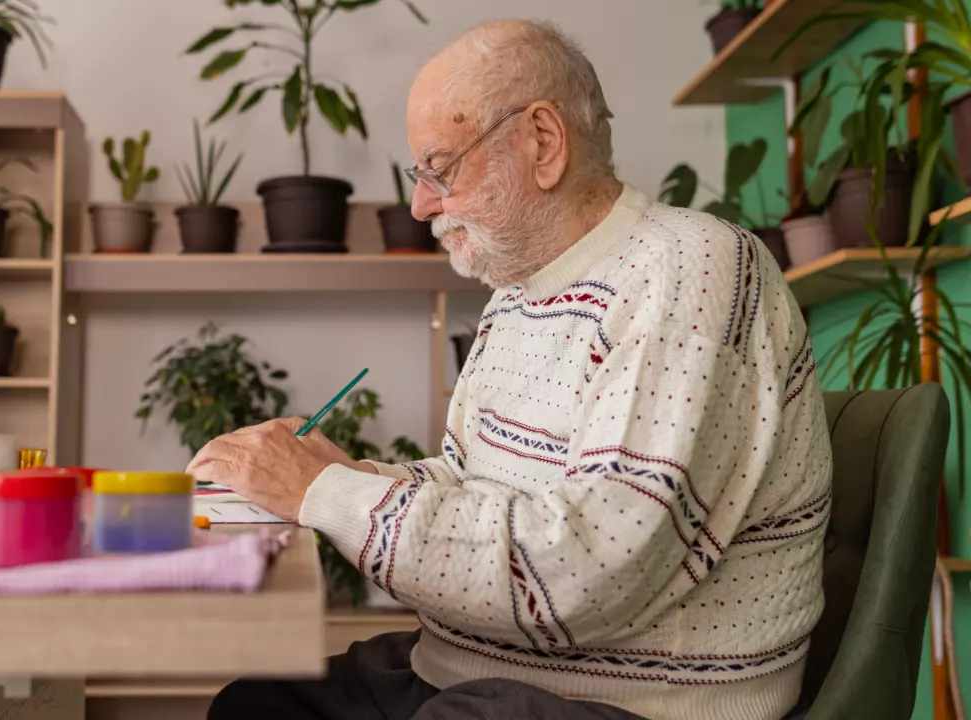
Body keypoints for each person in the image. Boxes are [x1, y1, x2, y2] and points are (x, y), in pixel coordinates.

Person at [189, 18, 830, 720]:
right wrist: (341, 474)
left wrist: (325, 493)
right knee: (253, 706)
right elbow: (471, 484)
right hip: (473, 672)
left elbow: (590, 569)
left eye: (439, 168)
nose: (420, 205)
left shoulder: (690, 268)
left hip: (640, 702)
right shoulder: (517, 296)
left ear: (542, 142)